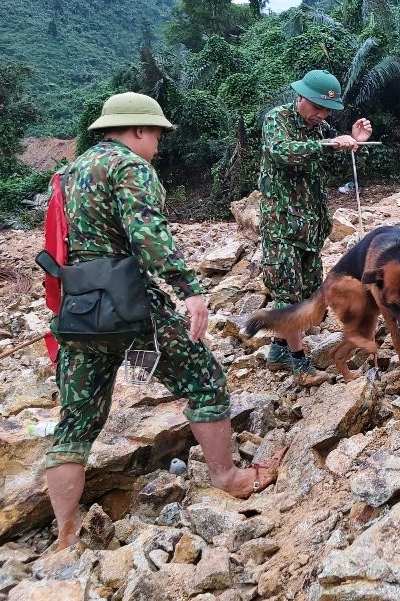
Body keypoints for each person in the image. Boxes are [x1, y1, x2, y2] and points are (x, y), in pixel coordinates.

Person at [45, 92, 281, 551]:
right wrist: (189, 290)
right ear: (138, 129)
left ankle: (66, 534)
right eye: (156, 134)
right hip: (132, 305)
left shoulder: (69, 172)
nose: (157, 143)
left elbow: (60, 244)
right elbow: (147, 235)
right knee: (204, 380)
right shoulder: (130, 167)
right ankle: (228, 477)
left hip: (82, 311)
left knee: (75, 422)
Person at [258, 70, 372, 386]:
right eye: (317, 107)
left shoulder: (319, 128)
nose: (321, 115)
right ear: (301, 97)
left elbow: (332, 157)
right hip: (282, 227)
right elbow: (282, 152)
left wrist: (353, 141)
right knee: (289, 297)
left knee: (310, 296)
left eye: (326, 111)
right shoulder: (277, 120)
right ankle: (300, 365)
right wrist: (327, 144)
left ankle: (278, 350)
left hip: (310, 228)